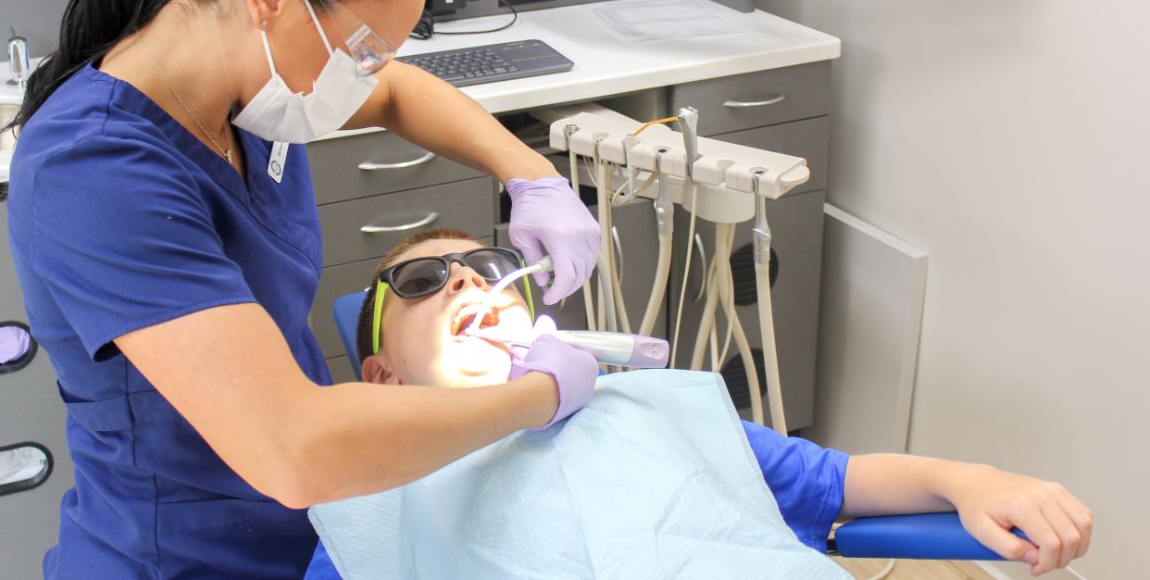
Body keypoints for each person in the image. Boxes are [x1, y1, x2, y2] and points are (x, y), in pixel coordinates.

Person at [0, 0, 603, 578]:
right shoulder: (98, 170)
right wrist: (540, 394)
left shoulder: (241, 88)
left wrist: (532, 176)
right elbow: (293, 449)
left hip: (316, 529)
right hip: (185, 556)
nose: (364, 78)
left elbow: (402, 92)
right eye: (362, 51)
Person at [337, 228, 1094, 579]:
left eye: (486, 266)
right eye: (423, 281)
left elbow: (837, 481)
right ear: (382, 380)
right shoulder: (371, 491)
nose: (466, 280)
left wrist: (970, 480)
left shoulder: (646, 404)